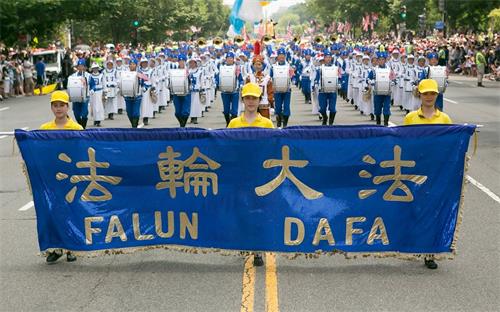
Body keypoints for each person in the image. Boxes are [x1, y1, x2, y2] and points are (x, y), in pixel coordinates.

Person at [404, 79, 452, 270]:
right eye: (426, 94)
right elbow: (404, 143)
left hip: (437, 170)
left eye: (432, 93)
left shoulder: (445, 119)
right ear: (420, 95)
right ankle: (414, 242)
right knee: (416, 208)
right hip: (416, 169)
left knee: (433, 210)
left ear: (437, 95)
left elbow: (451, 145)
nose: (429, 97)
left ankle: (429, 252)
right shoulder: (410, 118)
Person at [228, 82, 273, 266]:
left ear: (259, 100)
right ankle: (243, 240)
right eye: (248, 98)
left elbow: (272, 149)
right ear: (243, 100)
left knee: (258, 209)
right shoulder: (234, 123)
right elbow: (226, 149)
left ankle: (257, 250)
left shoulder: (267, 123)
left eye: (254, 98)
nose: (251, 102)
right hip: (240, 173)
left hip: (260, 173)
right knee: (241, 208)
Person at [40, 90, 82, 263]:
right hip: (52, 177)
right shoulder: (44, 129)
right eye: (55, 105)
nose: (58, 109)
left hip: (71, 178)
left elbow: (82, 153)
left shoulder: (76, 129)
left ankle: (72, 247)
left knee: (71, 210)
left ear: (67, 107)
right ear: (51, 107)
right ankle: (57, 247)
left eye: (62, 105)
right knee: (53, 210)